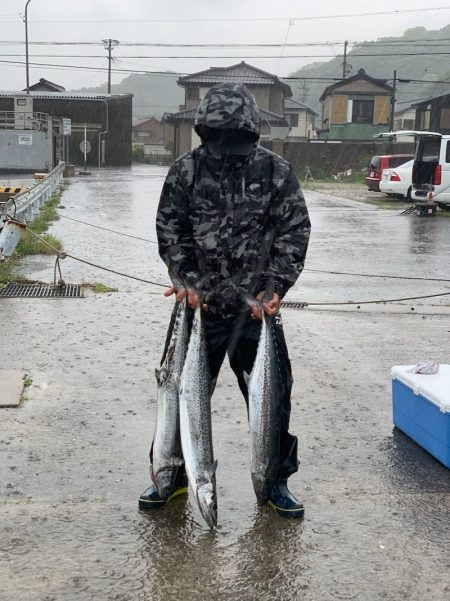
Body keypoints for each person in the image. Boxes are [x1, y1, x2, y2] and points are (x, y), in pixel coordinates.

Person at [139, 83, 311, 518]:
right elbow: (170, 231)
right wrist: (187, 281)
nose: (226, 142)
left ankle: (273, 481)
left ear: (252, 129)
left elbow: (294, 232)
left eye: (235, 133)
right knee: (179, 393)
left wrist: (274, 289)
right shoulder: (185, 171)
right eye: (218, 133)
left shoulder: (277, 172)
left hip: (256, 312)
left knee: (274, 398)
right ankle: (173, 475)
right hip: (200, 309)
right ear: (204, 130)